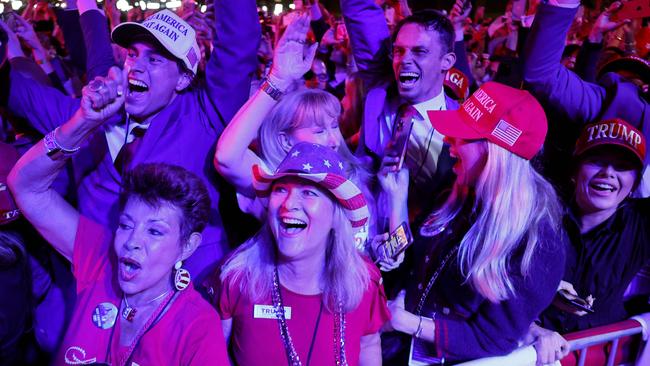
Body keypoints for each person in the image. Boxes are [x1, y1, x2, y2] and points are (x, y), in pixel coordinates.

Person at [3, 1, 261, 279]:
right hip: (99, 291)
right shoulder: (91, 115)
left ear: (184, 80)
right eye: (132, 55)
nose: (136, 67)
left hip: (186, 293)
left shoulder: (203, 116)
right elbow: (16, 91)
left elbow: (239, 41)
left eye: (154, 59)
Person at [7, 99, 229, 364]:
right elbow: (25, 187)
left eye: (155, 232)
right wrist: (83, 122)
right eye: (126, 225)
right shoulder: (102, 260)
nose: (132, 241)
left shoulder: (196, 325)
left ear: (187, 246)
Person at [382, 82, 567, 363]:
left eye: (463, 136)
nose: (448, 141)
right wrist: (396, 200)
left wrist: (410, 324)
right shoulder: (456, 189)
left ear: (497, 153)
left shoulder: (538, 240)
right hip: (401, 350)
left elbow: (491, 337)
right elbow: (411, 267)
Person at [206, 142, 390, 366]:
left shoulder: (363, 280)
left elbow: (369, 344)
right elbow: (211, 356)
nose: (289, 203)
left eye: (308, 192)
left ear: (335, 215)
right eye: (281, 189)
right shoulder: (237, 278)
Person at [527, 118, 650, 365]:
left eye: (622, 166)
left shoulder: (641, 223)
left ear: (635, 181)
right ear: (575, 169)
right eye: (596, 161)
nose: (608, 173)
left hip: (600, 355)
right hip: (531, 352)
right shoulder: (538, 209)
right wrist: (547, 293)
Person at [523, 0, 650, 197]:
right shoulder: (609, 101)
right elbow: (543, 75)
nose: (632, 83)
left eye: (638, 79)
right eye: (623, 77)